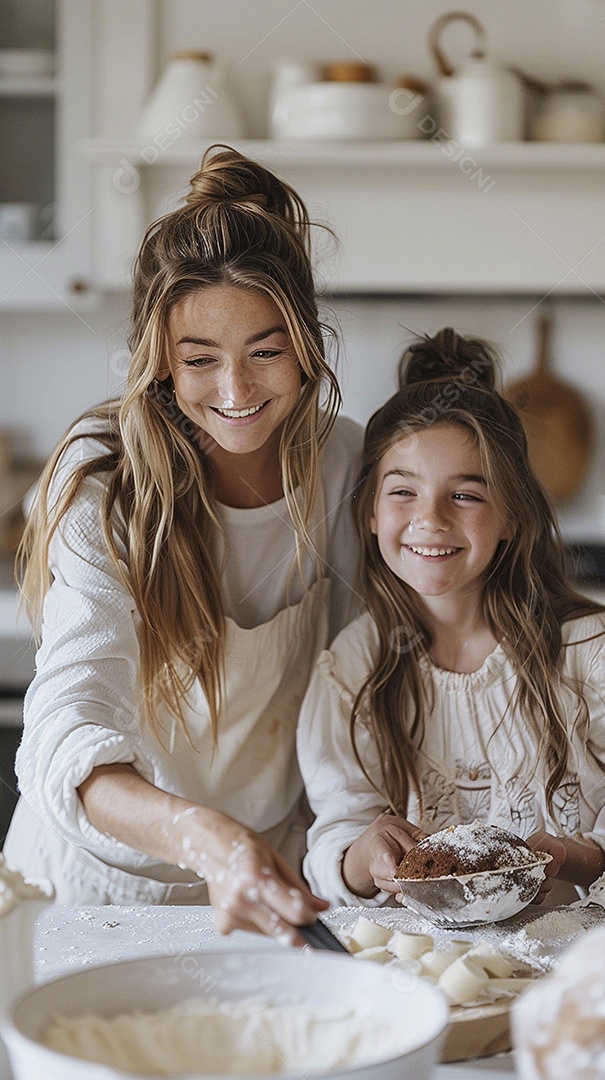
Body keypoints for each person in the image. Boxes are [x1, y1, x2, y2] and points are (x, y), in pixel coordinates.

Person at [4, 147, 363, 941]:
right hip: (97, 891)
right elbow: (67, 722)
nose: (235, 394)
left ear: (306, 344)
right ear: (160, 361)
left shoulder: (343, 465)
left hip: (266, 879)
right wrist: (203, 836)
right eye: (200, 360)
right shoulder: (105, 474)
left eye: (265, 352)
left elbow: (365, 680)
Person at [297, 327, 605, 909]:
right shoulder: (352, 668)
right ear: (367, 511)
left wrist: (569, 855)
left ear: (513, 515)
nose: (430, 519)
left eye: (465, 495)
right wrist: (365, 856)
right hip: (420, 972)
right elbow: (336, 834)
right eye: (403, 493)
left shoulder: (589, 652)